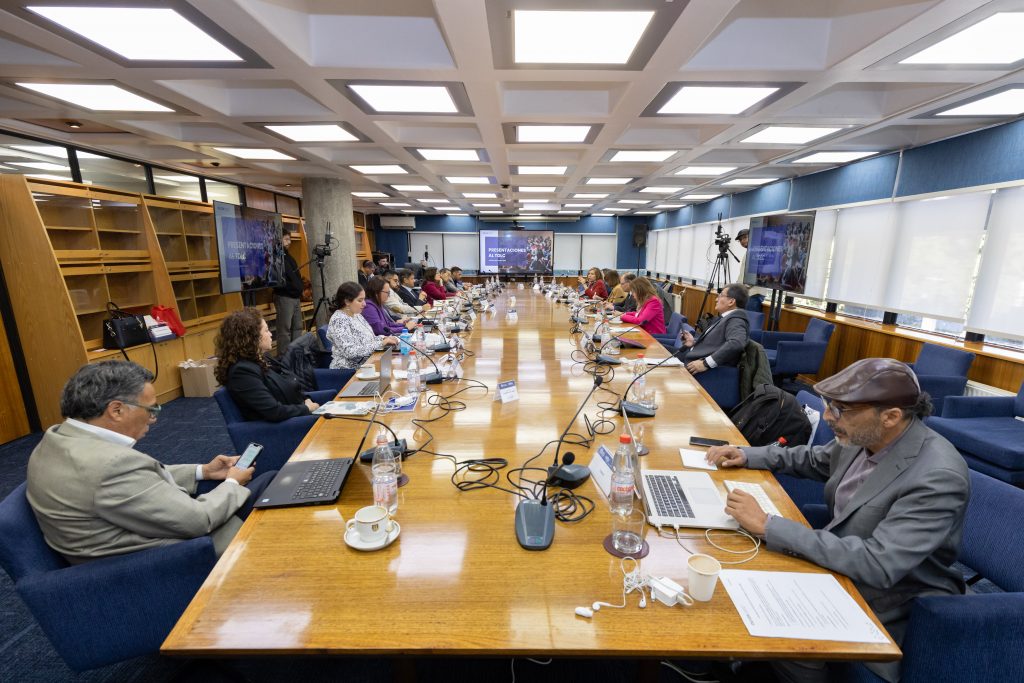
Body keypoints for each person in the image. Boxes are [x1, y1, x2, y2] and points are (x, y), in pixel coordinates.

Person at [705, 358, 970, 683]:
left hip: (893, 596)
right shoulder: (866, 436)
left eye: (840, 410)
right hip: (841, 561)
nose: (828, 416)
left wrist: (769, 525)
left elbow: (879, 564)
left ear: (890, 416)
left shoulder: (938, 476)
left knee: (783, 621)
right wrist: (748, 454)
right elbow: (814, 458)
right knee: (732, 562)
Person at [26, 360, 275, 563]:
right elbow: (199, 520)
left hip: (145, 531)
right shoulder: (111, 466)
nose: (153, 420)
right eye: (151, 410)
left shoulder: (57, 439)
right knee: (273, 494)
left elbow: (134, 482)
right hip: (176, 558)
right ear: (116, 410)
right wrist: (232, 483)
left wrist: (204, 472)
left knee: (270, 482)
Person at [215, 309, 319, 421]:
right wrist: (307, 408)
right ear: (252, 337)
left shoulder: (263, 357)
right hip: (287, 425)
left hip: (298, 412)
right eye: (266, 330)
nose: (271, 334)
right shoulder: (242, 371)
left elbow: (289, 382)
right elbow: (274, 412)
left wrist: (306, 399)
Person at [327, 282, 400, 370]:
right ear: (347, 301)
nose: (364, 304)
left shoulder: (357, 315)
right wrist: (381, 343)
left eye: (364, 299)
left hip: (367, 363)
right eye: (360, 300)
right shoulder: (339, 320)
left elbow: (369, 339)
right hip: (348, 370)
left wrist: (384, 338)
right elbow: (350, 352)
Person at [680, 283, 749, 373]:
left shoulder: (736, 320)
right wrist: (693, 343)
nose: (716, 299)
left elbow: (736, 343)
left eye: (721, 296)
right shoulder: (726, 317)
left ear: (731, 302)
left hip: (696, 365)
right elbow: (716, 343)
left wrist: (706, 363)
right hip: (692, 356)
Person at [272, 231, 304, 357]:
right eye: (286, 239)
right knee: (284, 330)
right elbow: (278, 280)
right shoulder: (275, 257)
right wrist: (292, 288)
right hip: (284, 297)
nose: (289, 242)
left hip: (295, 297)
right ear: (278, 240)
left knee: (297, 327)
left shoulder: (288, 256)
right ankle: (284, 358)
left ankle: (295, 355)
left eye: (289, 239)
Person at [736, 228, 768, 312]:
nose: (742, 241)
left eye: (745, 237)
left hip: (754, 294)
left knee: (750, 319)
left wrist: (743, 287)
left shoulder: (758, 250)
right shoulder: (749, 252)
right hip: (747, 293)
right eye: (740, 240)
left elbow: (758, 273)